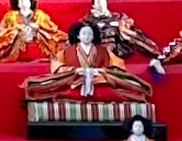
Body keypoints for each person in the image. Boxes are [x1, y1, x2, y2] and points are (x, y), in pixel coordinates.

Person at [22, 19, 153, 106]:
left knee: (130, 84)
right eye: (84, 34)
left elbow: (117, 65)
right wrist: (75, 71)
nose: (87, 36)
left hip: (99, 79)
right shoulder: (67, 51)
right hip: (74, 80)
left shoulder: (104, 50)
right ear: (78, 36)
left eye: (90, 34)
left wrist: (102, 71)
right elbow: (57, 65)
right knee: (45, 85)